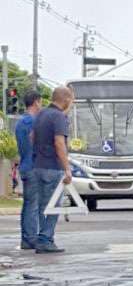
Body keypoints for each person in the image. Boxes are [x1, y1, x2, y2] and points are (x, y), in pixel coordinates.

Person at [32, 87, 74, 254]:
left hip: (39, 166)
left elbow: (32, 137)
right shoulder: (59, 117)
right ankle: (45, 240)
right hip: (53, 167)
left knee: (43, 205)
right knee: (54, 206)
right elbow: (59, 143)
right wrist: (67, 169)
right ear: (65, 99)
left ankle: (42, 237)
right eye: (70, 100)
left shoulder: (41, 114)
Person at [14, 90, 43, 250]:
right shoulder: (33, 122)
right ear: (36, 102)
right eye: (40, 102)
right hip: (33, 166)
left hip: (25, 165)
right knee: (33, 205)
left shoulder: (20, 122)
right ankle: (31, 238)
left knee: (27, 205)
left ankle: (26, 238)